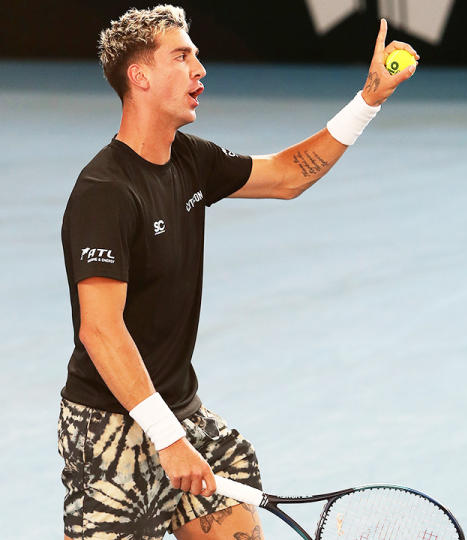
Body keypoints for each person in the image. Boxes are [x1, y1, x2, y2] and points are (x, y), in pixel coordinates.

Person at [58, 6, 416, 539]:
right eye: (181, 56)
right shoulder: (105, 193)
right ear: (140, 77)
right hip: (110, 433)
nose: (200, 69)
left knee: (234, 476)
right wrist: (167, 437)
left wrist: (368, 99)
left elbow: (290, 175)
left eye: (197, 55)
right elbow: (100, 330)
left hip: (181, 411)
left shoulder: (191, 161)